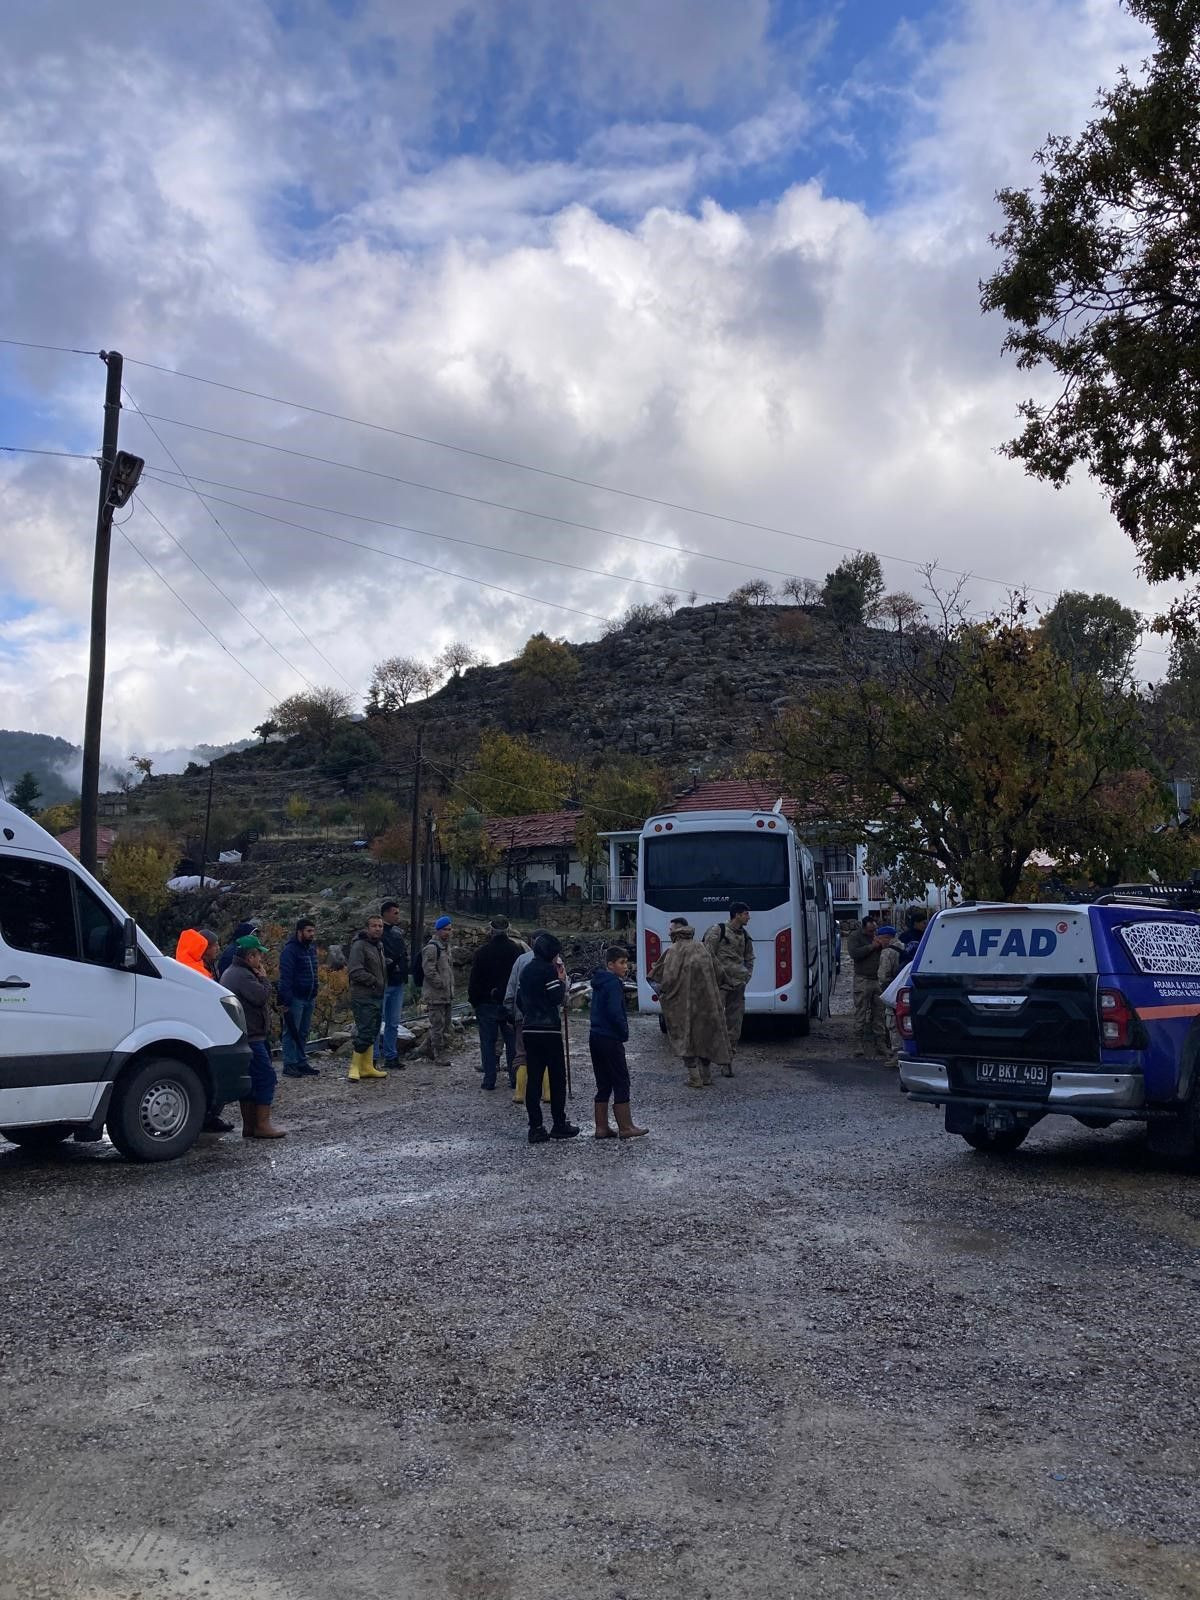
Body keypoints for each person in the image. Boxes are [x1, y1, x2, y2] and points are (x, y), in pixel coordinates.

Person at [649, 920, 731, 1088]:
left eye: (670, 929)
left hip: (682, 1004)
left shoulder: (673, 951)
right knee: (704, 1036)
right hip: (706, 1004)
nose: (668, 932)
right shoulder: (702, 947)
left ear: (676, 932)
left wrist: (663, 993)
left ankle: (695, 1078)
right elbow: (719, 972)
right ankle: (706, 1076)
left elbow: (665, 978)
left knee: (685, 1038)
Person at [222, 933, 286, 1139]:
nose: (261, 960)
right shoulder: (244, 975)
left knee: (250, 1082)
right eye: (258, 955)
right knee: (266, 1078)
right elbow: (261, 997)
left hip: (240, 1035)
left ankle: (249, 1126)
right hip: (252, 1037)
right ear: (250, 957)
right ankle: (262, 1125)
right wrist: (265, 979)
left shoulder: (231, 972)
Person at [518, 931, 579, 1143]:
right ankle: (559, 1124)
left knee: (534, 1078)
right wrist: (562, 982)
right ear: (551, 953)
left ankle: (535, 1127)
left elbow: (519, 1000)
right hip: (549, 1030)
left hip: (529, 1029)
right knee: (557, 1078)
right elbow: (555, 998)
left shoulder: (526, 971)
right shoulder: (548, 971)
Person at [175, 928, 234, 1133]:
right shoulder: (197, 970)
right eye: (215, 945)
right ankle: (208, 1117)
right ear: (204, 947)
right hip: (203, 1032)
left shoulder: (182, 965)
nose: (218, 948)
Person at [589, 945, 647, 1140]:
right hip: (610, 1037)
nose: (626, 966)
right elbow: (615, 1012)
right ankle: (625, 1126)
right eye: (622, 963)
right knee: (621, 1080)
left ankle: (601, 1127)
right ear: (610, 964)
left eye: (627, 962)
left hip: (595, 1035)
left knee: (603, 1083)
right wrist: (623, 1032)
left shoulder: (599, 982)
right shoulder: (614, 983)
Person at [468, 915, 522, 1091]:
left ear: (490, 929)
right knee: (512, 1042)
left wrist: (475, 1001)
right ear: (508, 929)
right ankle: (515, 1079)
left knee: (488, 1043)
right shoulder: (516, 951)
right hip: (509, 1004)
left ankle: (489, 1079)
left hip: (486, 1003)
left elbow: (474, 980)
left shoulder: (482, 952)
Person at [702, 901, 754, 1073]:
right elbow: (706, 955)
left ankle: (727, 1061)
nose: (748, 917)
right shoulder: (718, 931)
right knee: (713, 1022)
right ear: (737, 915)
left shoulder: (745, 935)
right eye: (746, 914)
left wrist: (746, 976)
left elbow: (749, 957)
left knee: (735, 1024)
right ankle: (706, 1064)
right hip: (719, 985)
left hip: (738, 985)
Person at [505, 931, 550, 1106]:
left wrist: (509, 1008)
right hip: (547, 1018)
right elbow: (563, 987)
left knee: (522, 1053)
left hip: (522, 1015)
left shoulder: (521, 960)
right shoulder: (555, 960)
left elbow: (512, 985)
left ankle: (519, 1093)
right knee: (546, 1054)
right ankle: (547, 1093)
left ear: (531, 942)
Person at [346, 913, 389, 1082]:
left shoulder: (378, 946)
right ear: (367, 928)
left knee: (373, 1030)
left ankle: (367, 1066)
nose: (378, 929)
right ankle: (354, 1067)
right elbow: (355, 970)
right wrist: (374, 981)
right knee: (365, 1030)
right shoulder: (360, 945)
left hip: (377, 994)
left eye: (380, 926)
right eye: (374, 926)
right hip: (363, 996)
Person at [278, 919, 320, 1079]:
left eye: (313, 931)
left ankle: (301, 1061)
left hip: (309, 996)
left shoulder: (310, 949)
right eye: (308, 931)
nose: (312, 934)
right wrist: (286, 1001)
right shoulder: (290, 951)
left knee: (303, 1031)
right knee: (291, 1031)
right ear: (300, 931)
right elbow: (286, 977)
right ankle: (289, 1064)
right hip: (295, 997)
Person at [846, 915, 887, 1058]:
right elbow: (854, 954)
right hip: (862, 979)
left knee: (879, 1012)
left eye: (874, 930)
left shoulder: (877, 935)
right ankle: (859, 1042)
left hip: (877, 979)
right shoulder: (855, 937)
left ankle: (880, 1042)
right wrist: (872, 946)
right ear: (863, 928)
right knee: (861, 1012)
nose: (872, 933)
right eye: (870, 931)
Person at [376, 900, 410, 1071]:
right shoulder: (378, 934)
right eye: (395, 913)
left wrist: (404, 972)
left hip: (397, 982)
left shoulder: (397, 933)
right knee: (377, 1022)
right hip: (384, 983)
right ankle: (373, 1058)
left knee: (393, 1022)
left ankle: (391, 1056)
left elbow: (403, 955)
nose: (398, 916)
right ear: (386, 913)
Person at [422, 916, 455, 1066]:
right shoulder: (432, 948)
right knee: (437, 1025)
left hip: (446, 994)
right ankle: (438, 1053)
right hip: (436, 995)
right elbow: (429, 970)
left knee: (445, 1025)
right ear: (438, 930)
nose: (448, 932)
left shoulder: (445, 947)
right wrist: (440, 984)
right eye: (445, 929)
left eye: (449, 929)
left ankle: (430, 1049)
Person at [875, 925, 903, 1062]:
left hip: (892, 991)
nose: (878, 942)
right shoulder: (906, 947)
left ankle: (897, 1055)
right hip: (906, 991)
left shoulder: (887, 952)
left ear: (886, 938)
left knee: (892, 1022)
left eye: (879, 939)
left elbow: (883, 975)